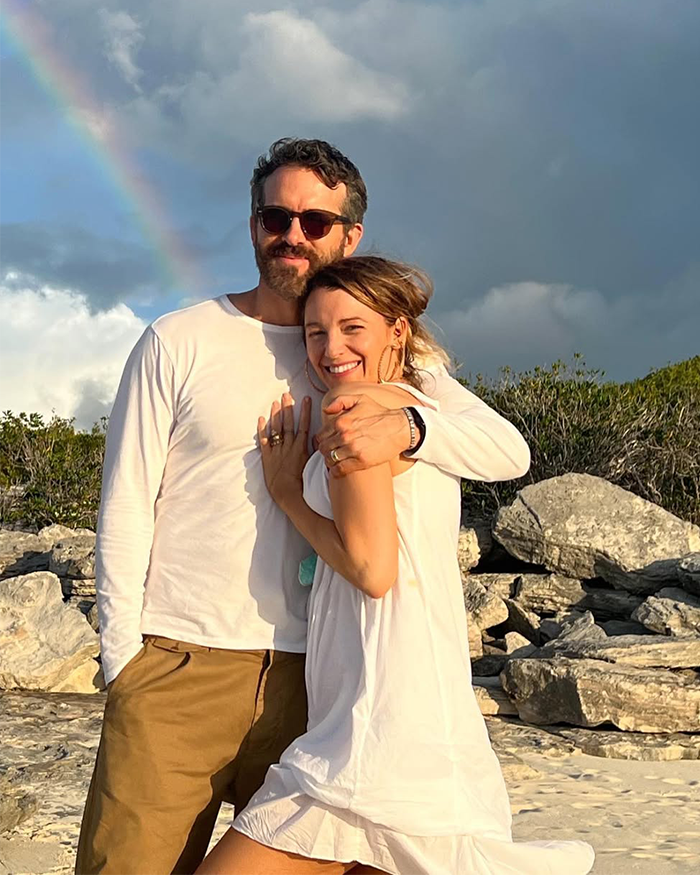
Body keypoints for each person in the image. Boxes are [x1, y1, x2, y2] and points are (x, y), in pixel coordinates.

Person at [75, 138, 531, 875]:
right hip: (180, 665)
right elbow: (124, 504)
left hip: (316, 684)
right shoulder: (179, 339)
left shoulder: (388, 358)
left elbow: (507, 450)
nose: (292, 234)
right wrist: (123, 660)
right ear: (254, 224)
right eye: (274, 217)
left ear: (349, 235)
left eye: (314, 222)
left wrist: (410, 425)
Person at [195, 256, 596, 875]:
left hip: (375, 712)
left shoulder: (355, 408)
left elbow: (370, 568)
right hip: (412, 694)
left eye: (353, 329)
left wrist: (287, 497)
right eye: (315, 332)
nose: (331, 349)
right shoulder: (419, 405)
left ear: (397, 332)